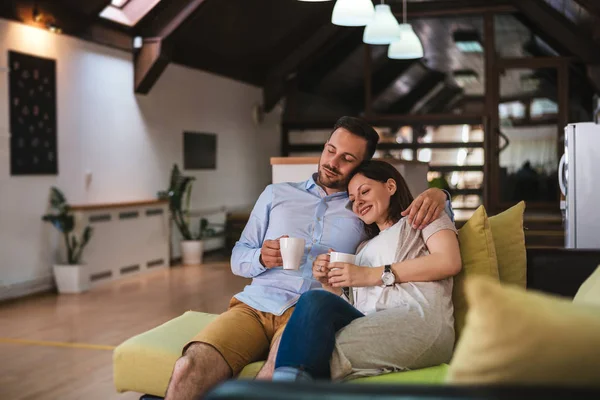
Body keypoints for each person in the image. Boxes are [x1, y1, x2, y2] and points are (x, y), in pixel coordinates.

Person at [165, 117, 452, 400]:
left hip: (306, 314)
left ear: (361, 165)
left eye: (346, 158)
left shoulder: (361, 210)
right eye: (330, 150)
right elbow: (238, 257)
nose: (332, 162)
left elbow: (406, 223)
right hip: (255, 305)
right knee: (188, 367)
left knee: (272, 374)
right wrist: (261, 257)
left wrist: (441, 194)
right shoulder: (276, 194)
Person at [270, 160, 461, 382]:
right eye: (352, 200)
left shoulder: (420, 218)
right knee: (314, 300)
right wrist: (329, 283)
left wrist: (371, 275)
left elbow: (449, 261)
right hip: (371, 321)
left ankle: (283, 388)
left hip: (418, 319)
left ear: (390, 186)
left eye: (365, 192)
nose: (358, 202)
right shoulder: (362, 248)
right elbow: (357, 306)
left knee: (309, 349)